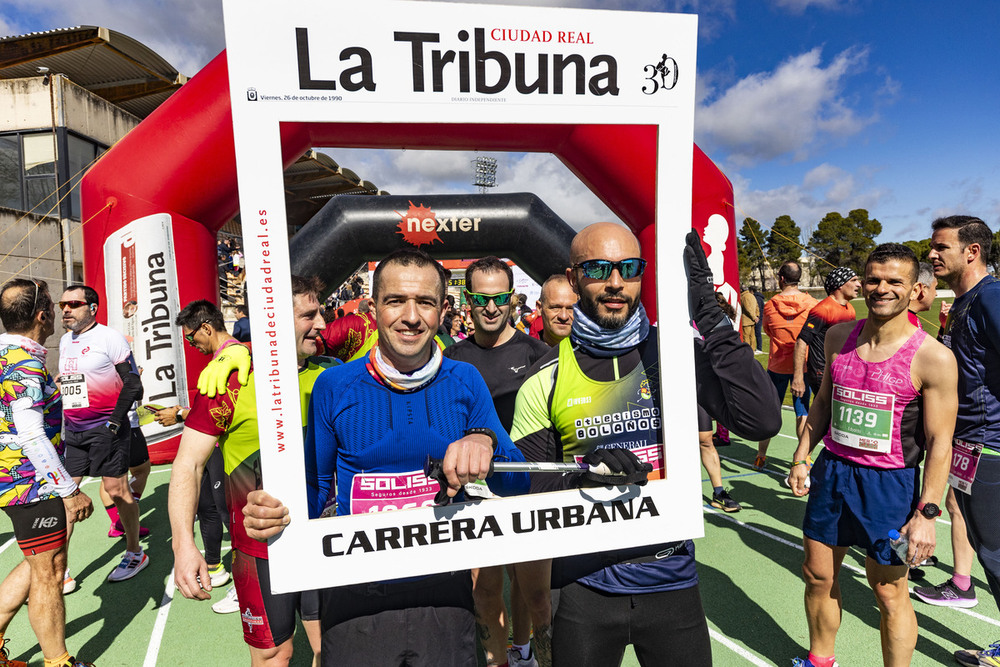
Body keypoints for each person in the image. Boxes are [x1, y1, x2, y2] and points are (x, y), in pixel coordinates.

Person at [243, 249, 529, 667]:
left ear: (443, 309)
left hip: (444, 594)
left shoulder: (465, 379)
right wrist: (272, 511)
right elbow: (314, 488)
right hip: (355, 596)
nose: (411, 317)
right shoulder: (334, 385)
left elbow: (517, 480)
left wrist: (485, 439)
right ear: (373, 308)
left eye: (425, 303)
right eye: (396, 300)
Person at [511, 223, 781, 665]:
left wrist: (711, 316)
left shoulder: (673, 355)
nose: (616, 282)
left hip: (672, 581)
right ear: (574, 276)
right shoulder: (546, 377)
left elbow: (762, 418)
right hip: (585, 586)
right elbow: (529, 495)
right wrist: (585, 477)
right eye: (598, 268)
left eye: (629, 268)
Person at [788, 243, 957, 667]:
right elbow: (824, 402)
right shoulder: (838, 336)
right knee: (818, 575)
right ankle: (819, 660)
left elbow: (941, 443)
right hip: (831, 476)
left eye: (894, 281)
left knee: (889, 591)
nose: (882, 288)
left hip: (892, 489)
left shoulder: (933, 357)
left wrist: (927, 514)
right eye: (874, 279)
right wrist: (801, 455)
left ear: (915, 288)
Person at [444, 256, 552, 667]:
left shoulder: (536, 352)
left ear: (513, 299)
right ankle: (498, 662)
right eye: (481, 298)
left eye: (501, 298)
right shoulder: (451, 358)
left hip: (526, 489)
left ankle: (529, 655)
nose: (491, 308)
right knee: (486, 592)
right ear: (466, 299)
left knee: (536, 595)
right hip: (474, 493)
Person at [0, 279, 95, 667]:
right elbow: (30, 432)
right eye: (54, 306)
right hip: (30, 485)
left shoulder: (10, 356)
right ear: (43, 315)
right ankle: (58, 662)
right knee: (50, 572)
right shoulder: (23, 362)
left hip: (15, 482)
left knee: (37, 563)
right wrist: (68, 489)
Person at [923, 216, 1000, 666]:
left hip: (990, 448)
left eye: (940, 247)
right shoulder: (966, 301)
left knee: (994, 551)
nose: (932, 255)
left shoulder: (990, 296)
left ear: (971, 251)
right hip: (969, 445)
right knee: (987, 549)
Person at [58, 284, 147, 582]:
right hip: (74, 432)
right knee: (66, 496)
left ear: (92, 308)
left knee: (117, 491)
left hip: (106, 429)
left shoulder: (110, 337)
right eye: (62, 305)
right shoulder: (64, 341)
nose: (66, 310)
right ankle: (61, 568)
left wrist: (114, 423)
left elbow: (134, 385)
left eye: (73, 304)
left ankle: (135, 553)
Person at [754, 261, 818, 470]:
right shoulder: (811, 304)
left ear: (781, 279)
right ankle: (803, 458)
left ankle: (761, 455)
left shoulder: (770, 305)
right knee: (803, 412)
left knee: (771, 412)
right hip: (804, 366)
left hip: (777, 365)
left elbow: (768, 331)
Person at [791, 266, 860, 399]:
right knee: (826, 413)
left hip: (841, 369)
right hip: (822, 372)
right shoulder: (823, 309)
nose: (858, 284)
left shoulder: (850, 308)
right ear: (839, 285)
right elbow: (801, 342)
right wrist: (798, 378)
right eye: (853, 280)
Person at [529, 274, 577, 347]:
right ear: (539, 308)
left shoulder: (591, 354)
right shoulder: (523, 353)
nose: (564, 316)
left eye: (571, 308)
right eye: (555, 308)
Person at [739, 283, 759, 350]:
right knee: (752, 337)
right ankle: (753, 350)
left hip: (746, 321)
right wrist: (757, 316)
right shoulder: (752, 296)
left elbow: (748, 308)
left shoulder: (744, 296)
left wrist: (754, 317)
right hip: (753, 320)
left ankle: (747, 351)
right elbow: (756, 306)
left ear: (741, 290)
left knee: (746, 337)